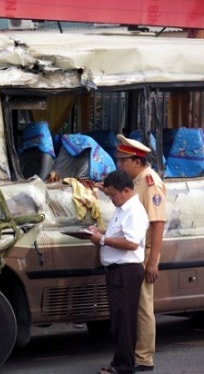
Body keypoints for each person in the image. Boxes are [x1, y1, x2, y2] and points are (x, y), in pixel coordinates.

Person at [89, 170, 149, 374]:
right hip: (117, 271)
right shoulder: (123, 208)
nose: (111, 199)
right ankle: (121, 362)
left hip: (127, 270)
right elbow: (119, 233)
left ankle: (123, 365)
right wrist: (99, 233)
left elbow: (132, 243)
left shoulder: (134, 211)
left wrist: (103, 240)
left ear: (126, 190)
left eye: (113, 195)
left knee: (125, 321)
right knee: (118, 319)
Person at [116, 134, 167, 372]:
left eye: (122, 161)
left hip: (145, 250)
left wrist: (153, 261)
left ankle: (144, 357)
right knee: (135, 304)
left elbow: (158, 224)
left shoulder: (150, 183)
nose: (119, 165)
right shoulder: (136, 180)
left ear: (136, 161)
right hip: (136, 249)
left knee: (143, 305)